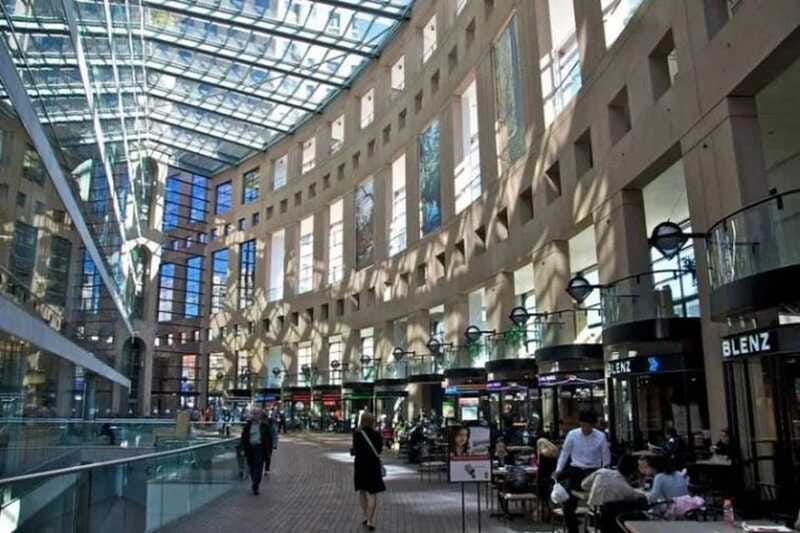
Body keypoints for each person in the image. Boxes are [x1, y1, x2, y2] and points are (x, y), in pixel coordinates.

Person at [554, 410, 611, 533]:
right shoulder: (572, 435)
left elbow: (606, 457)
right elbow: (565, 453)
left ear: (594, 425)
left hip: (593, 471)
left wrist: (605, 471)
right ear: (580, 423)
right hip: (576, 470)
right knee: (568, 504)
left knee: (603, 503)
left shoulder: (600, 436)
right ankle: (573, 530)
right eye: (583, 425)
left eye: (588, 426)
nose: (585, 429)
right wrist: (558, 469)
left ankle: (596, 526)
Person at [581, 455, 647, 533]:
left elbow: (584, 485)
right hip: (612, 521)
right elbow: (641, 497)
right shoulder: (626, 488)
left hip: (594, 516)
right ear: (632, 473)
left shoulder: (602, 472)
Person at [352, 412, 385, 531]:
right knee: (372, 493)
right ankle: (371, 520)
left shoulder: (357, 434)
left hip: (361, 465)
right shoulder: (377, 434)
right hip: (373, 465)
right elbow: (380, 450)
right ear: (372, 421)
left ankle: (366, 515)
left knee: (362, 491)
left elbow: (355, 449)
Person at [240, 408, 274, 495]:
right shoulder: (248, 426)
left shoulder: (264, 426)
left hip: (260, 448)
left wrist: (269, 451)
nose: (255, 415)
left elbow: (269, 439)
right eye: (254, 414)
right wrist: (243, 449)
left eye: (257, 414)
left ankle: (256, 484)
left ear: (260, 415)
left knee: (258, 466)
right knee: (251, 466)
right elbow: (243, 438)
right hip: (250, 448)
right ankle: (254, 481)